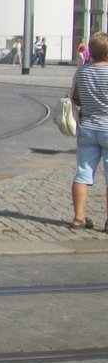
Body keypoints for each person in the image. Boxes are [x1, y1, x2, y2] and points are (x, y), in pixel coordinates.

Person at [69, 32, 108, 230]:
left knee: (83, 173)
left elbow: (76, 99)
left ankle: (79, 217)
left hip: (88, 127)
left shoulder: (82, 72)